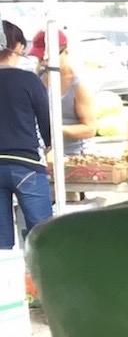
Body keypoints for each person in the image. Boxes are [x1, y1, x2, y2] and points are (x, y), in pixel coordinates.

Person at [0, 20, 53, 249]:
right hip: (26, 164)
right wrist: (49, 144)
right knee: (41, 237)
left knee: (1, 243)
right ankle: (37, 282)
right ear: (19, 47)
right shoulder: (29, 80)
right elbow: (45, 119)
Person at [28, 30, 97, 160]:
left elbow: (89, 129)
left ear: (66, 52)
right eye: (40, 59)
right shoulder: (40, 76)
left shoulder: (79, 85)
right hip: (43, 155)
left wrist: (56, 128)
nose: (44, 63)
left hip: (75, 156)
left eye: (48, 59)